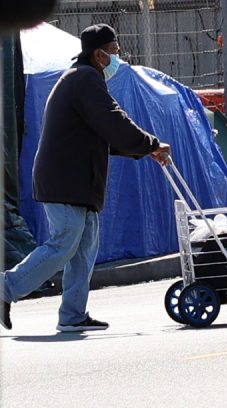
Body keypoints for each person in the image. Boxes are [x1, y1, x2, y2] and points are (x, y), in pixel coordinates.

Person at [1, 24, 170, 332]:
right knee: (63, 245)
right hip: (66, 181)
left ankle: (73, 315)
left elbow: (102, 135)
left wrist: (146, 150)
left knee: (84, 249)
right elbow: (113, 120)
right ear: (98, 54)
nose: (117, 59)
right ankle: (5, 288)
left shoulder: (81, 78)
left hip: (76, 180)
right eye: (114, 53)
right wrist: (151, 144)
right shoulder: (85, 79)